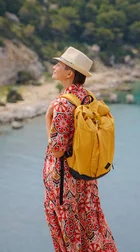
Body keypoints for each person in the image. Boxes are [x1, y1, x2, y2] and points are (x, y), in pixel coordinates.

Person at [43, 46, 117, 252]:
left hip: (63, 181)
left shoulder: (62, 104)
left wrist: (47, 119)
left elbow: (57, 149)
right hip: (85, 175)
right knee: (90, 220)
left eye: (59, 64)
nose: (54, 66)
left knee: (69, 228)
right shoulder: (88, 98)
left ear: (69, 73)